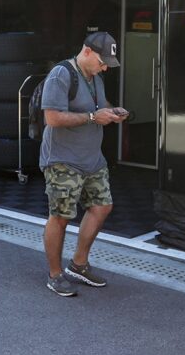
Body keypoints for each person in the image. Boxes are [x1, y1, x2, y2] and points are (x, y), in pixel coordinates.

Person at [40, 32, 128, 296]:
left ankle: (78, 265)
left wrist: (112, 112)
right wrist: (92, 117)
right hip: (63, 160)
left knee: (102, 207)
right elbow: (52, 118)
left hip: (92, 159)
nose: (104, 67)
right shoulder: (61, 74)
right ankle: (54, 275)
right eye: (103, 61)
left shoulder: (96, 78)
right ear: (87, 51)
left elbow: (100, 106)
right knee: (61, 217)